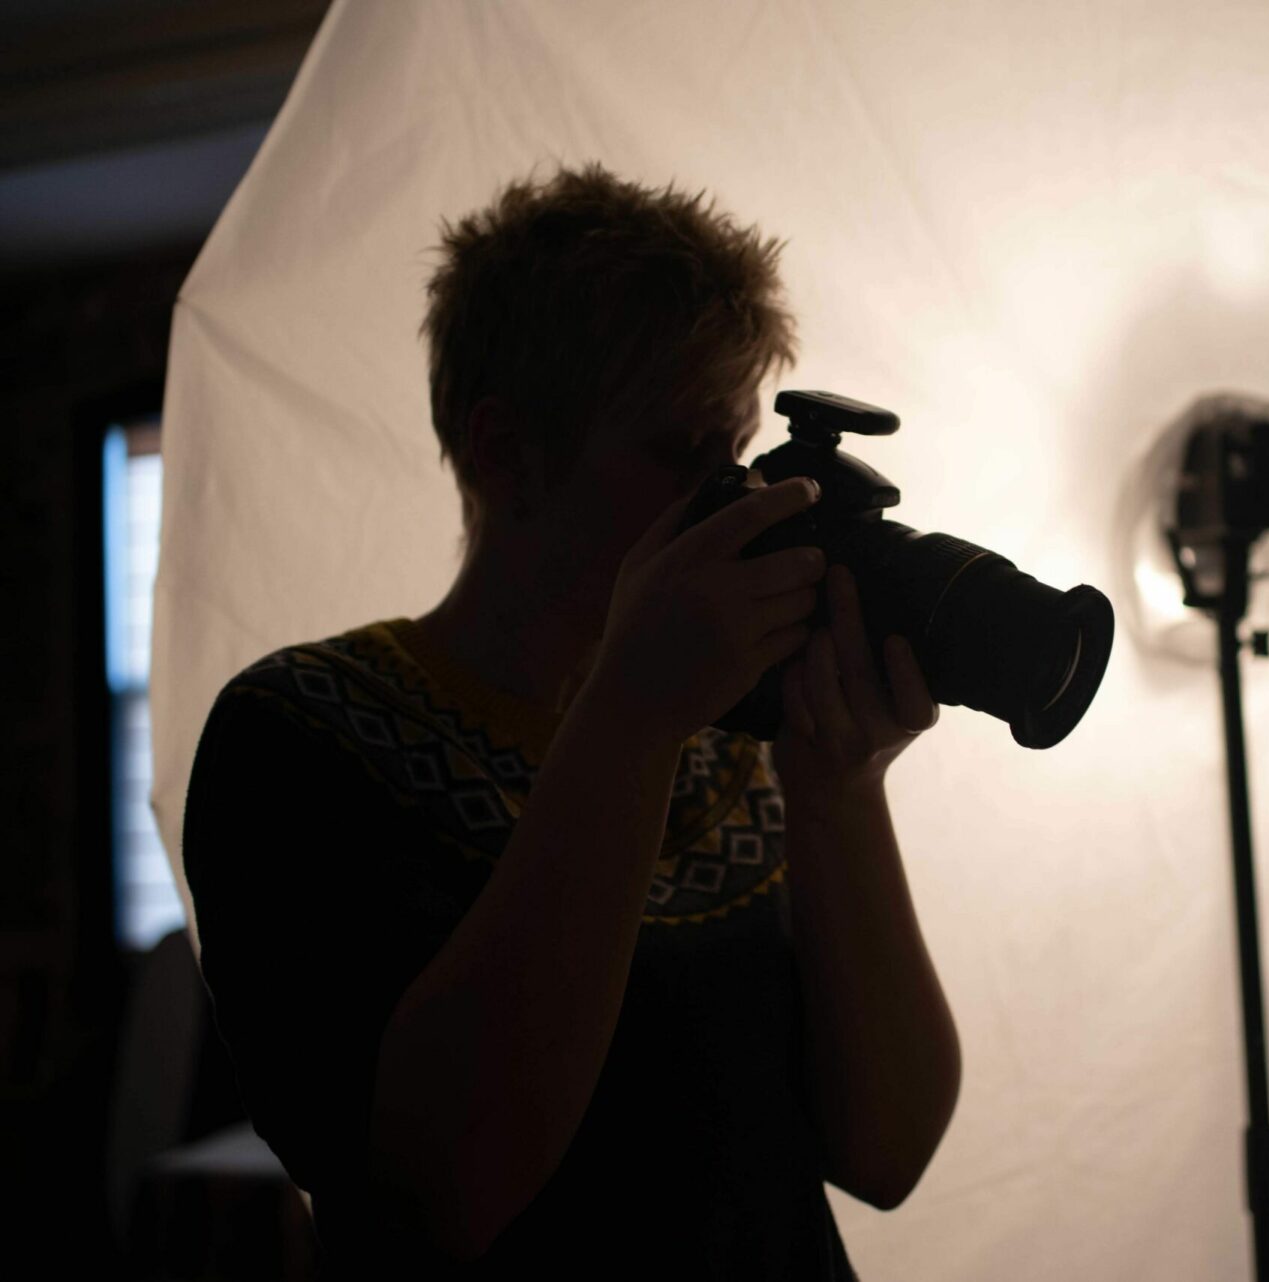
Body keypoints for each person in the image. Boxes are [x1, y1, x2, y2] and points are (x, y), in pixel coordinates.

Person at [181, 162, 962, 1279]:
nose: (725, 500)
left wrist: (841, 789)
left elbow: (887, 1151)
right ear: (506, 451)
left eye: (732, 452)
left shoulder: (728, 745)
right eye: (683, 453)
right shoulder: (297, 737)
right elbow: (437, 1201)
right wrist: (630, 717)